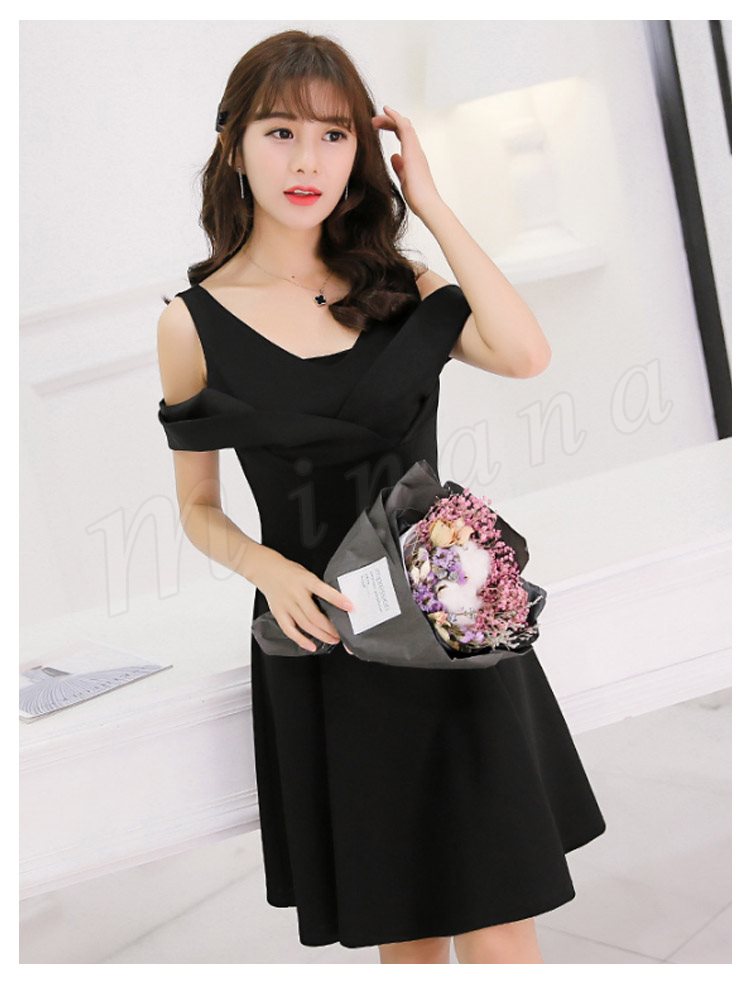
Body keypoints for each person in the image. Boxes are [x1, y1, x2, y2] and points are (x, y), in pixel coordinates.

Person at [156, 29, 606, 964]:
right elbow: (196, 507)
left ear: (363, 151)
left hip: (449, 619)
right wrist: (267, 568)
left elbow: (525, 353)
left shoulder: (400, 284)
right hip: (328, 635)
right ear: (234, 145)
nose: (307, 161)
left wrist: (430, 202)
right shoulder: (191, 324)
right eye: (281, 132)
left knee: (501, 924)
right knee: (406, 935)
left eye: (335, 135)